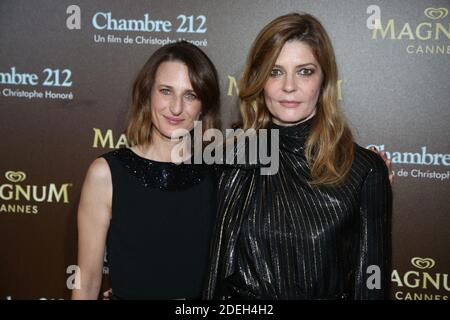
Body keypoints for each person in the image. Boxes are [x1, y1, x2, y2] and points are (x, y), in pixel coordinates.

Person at [204, 13, 392, 300]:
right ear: (259, 79)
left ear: (324, 79)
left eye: (304, 71)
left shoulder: (364, 170)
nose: (289, 86)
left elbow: (372, 281)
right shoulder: (228, 156)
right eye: (275, 71)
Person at [72, 41, 221, 299]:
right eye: (166, 91)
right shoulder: (106, 174)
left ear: (203, 106)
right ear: (147, 94)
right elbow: (86, 283)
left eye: (190, 95)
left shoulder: (219, 176)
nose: (176, 108)